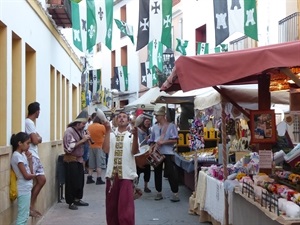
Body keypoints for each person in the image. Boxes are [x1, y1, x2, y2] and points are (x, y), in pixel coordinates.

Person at [102, 111, 139, 225]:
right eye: (119, 117)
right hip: (112, 177)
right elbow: (105, 150)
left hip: (126, 176)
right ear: (116, 120)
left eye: (124, 117)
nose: (122, 119)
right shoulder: (112, 135)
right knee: (111, 209)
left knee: (125, 210)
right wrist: (107, 130)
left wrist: (136, 135)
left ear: (128, 120)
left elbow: (135, 151)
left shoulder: (131, 135)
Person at [148, 106, 180, 202]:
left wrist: (164, 142)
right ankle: (158, 192)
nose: (156, 117)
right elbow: (152, 140)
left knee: (171, 173)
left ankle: (175, 193)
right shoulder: (154, 128)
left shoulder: (171, 126)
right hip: (157, 152)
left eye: (157, 115)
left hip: (168, 153)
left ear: (162, 115)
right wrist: (151, 145)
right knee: (157, 172)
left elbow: (175, 140)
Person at [62, 110, 91, 210]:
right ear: (77, 123)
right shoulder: (69, 132)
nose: (84, 126)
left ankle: (77, 199)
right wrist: (82, 140)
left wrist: (86, 139)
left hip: (79, 159)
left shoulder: (80, 131)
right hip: (71, 160)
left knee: (80, 181)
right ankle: (70, 202)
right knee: (71, 182)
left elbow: (83, 144)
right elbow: (69, 147)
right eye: (83, 123)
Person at [25, 102, 46, 217]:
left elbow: (37, 137)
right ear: (37, 111)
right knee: (41, 180)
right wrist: (38, 138)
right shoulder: (29, 123)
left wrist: (38, 138)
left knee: (41, 180)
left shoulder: (31, 123)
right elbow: (35, 140)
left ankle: (31, 206)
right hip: (33, 155)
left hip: (34, 155)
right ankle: (30, 206)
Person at [10, 132, 36, 225]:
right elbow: (27, 176)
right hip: (22, 189)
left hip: (27, 188)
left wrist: (30, 160)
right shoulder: (17, 156)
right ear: (20, 143)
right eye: (27, 143)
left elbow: (30, 172)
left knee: (25, 215)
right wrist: (35, 175)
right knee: (22, 217)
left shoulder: (23, 155)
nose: (29, 146)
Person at [135, 113, 153, 193]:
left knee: (147, 171)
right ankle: (135, 187)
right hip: (138, 154)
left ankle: (146, 186)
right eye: (146, 121)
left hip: (146, 154)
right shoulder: (137, 131)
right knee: (137, 172)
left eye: (149, 121)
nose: (148, 123)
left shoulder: (149, 131)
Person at [86, 115, 106, 185]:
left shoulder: (89, 127)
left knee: (91, 163)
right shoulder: (102, 127)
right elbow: (106, 134)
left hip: (91, 146)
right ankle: (99, 178)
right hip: (99, 146)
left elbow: (88, 136)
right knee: (99, 164)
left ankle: (89, 177)